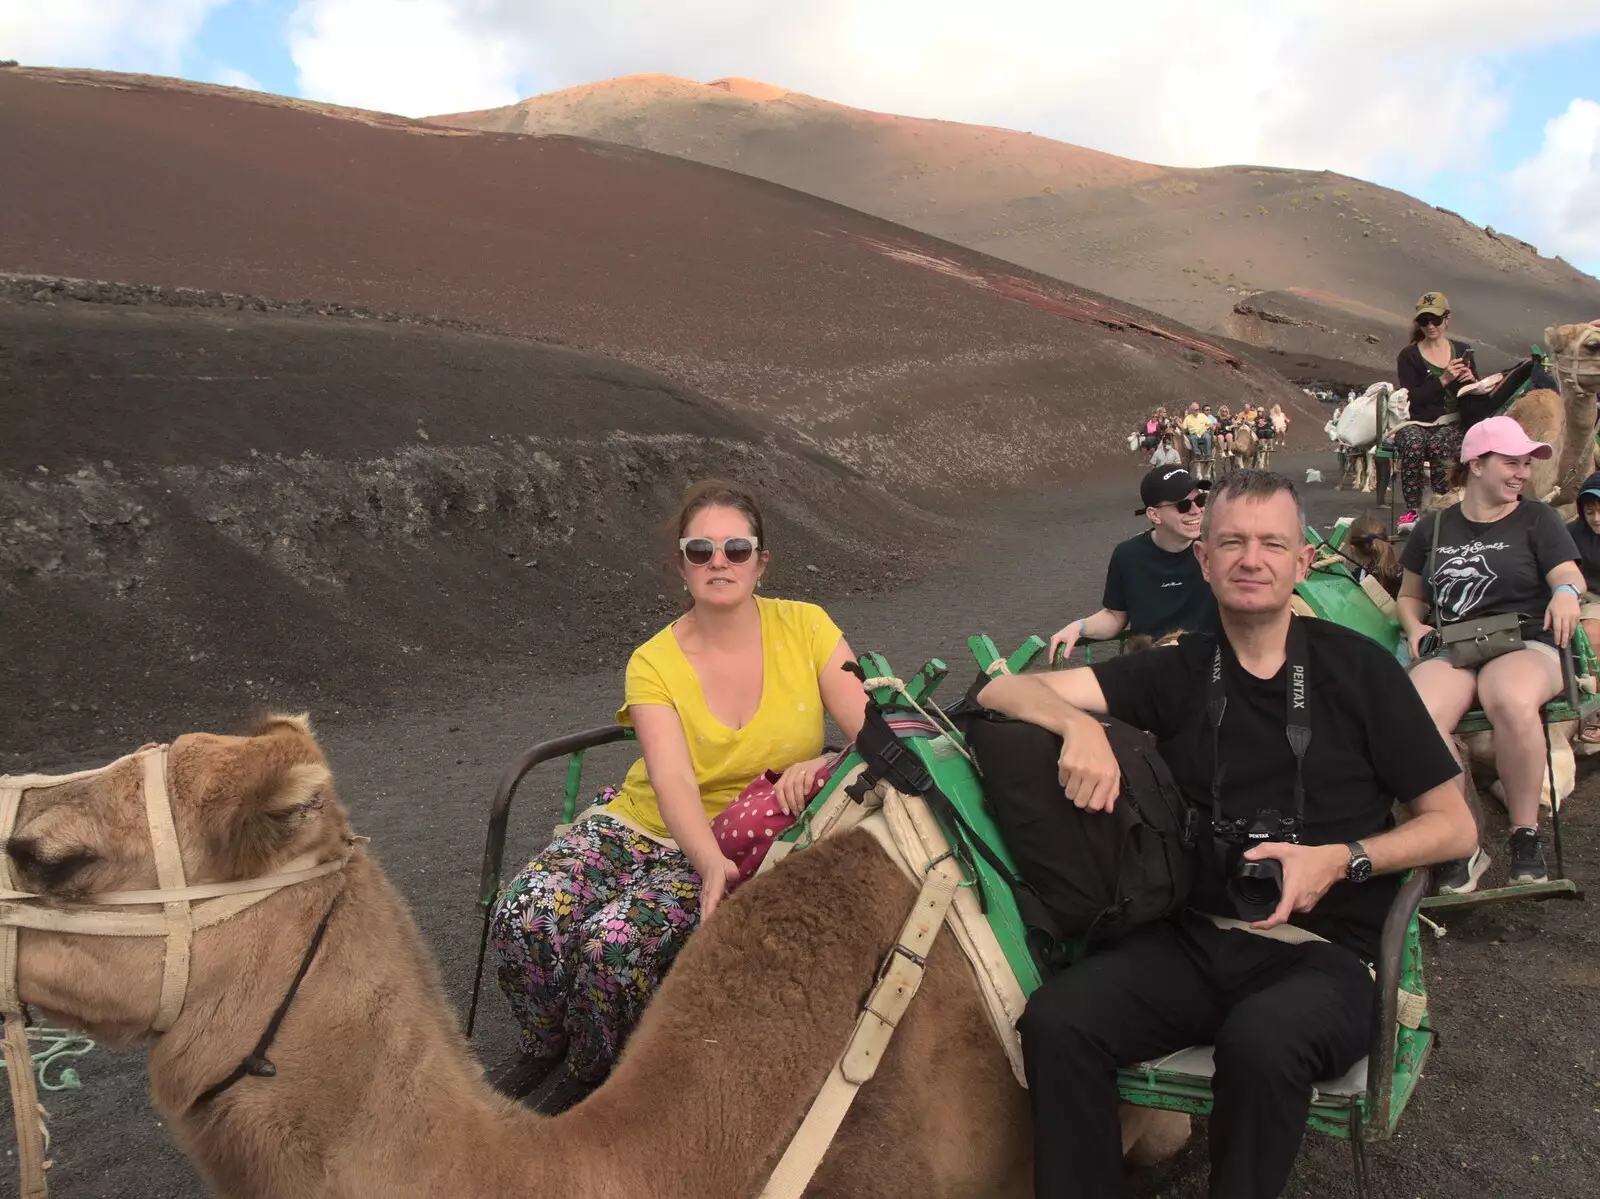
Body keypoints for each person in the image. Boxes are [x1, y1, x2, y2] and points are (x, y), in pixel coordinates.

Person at [984, 469, 1474, 1199]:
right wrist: (1076, 723)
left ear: (1301, 563)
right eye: (1233, 542)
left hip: (1326, 956)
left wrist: (1343, 860)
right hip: (1193, 938)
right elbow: (996, 687)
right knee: (1058, 1022)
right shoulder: (1180, 669)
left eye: (1273, 542)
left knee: (1262, 1040)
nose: (1253, 558)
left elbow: (1455, 824)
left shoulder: (1361, 672)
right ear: (1204, 559)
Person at [490, 479, 868, 1104]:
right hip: (650, 819)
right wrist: (705, 862)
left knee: (613, 947)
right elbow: (670, 779)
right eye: (701, 550)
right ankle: (547, 1045)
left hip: (745, 831)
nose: (719, 561)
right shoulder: (653, 661)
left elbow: (870, 729)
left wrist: (828, 758)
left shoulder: (807, 628)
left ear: (760, 562)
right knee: (527, 911)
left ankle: (593, 1079)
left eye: (736, 549)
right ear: (682, 565)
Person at [1397, 417, 1583, 890]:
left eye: (1526, 464)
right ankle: (1458, 838)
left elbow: (1569, 574)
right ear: (1475, 464)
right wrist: (1415, 625)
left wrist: (1564, 592)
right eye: (1511, 462)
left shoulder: (1537, 518)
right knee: (1418, 714)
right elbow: (1410, 596)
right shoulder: (1434, 526)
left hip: (1524, 640)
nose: (1522, 473)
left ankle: (1525, 834)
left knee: (1509, 696)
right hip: (1456, 643)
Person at [1047, 466, 1219, 664]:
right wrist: (1079, 627)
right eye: (1183, 506)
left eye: (1200, 500)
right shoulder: (1128, 555)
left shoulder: (1216, 547)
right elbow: (1115, 617)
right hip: (1150, 667)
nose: (1196, 511)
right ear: (1154, 515)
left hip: (1210, 666)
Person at [1394, 291, 1477, 527]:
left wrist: (1470, 379)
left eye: (1436, 320)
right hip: (1420, 421)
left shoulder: (1461, 350)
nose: (1430, 326)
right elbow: (1412, 398)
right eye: (1424, 320)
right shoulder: (1409, 356)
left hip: (1453, 420)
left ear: (1447, 319)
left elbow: (1475, 390)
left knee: (1440, 445)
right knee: (1411, 442)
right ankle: (1412, 511)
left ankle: (1444, 506)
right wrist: (1443, 379)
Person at [1566, 471, 1600, 744]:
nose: (1596, 518)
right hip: (1588, 596)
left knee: (1591, 633)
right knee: (1584, 633)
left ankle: (1593, 710)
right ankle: (1587, 711)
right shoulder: (1573, 532)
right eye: (1590, 511)